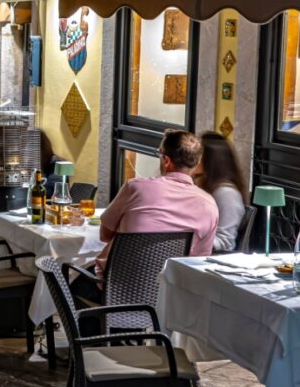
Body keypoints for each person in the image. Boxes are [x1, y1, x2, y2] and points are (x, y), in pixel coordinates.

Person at [72, 130, 219, 305]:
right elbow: (197, 260)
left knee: (69, 286)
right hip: (168, 296)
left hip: (115, 287)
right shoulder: (209, 205)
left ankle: (106, 329)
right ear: (198, 162)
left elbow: (105, 235)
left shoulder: (136, 188)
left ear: (166, 160)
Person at [195, 131, 247, 253]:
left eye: (197, 156)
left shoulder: (227, 194)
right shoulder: (201, 184)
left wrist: (189, 243)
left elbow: (225, 240)